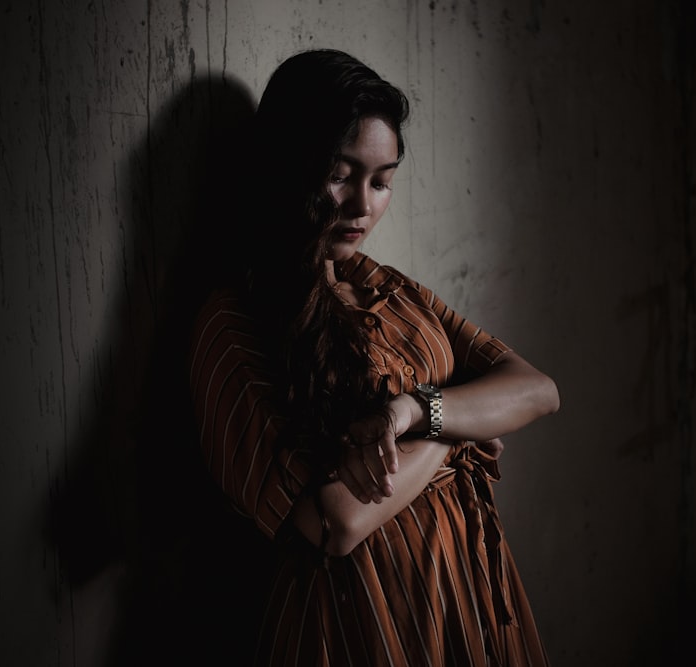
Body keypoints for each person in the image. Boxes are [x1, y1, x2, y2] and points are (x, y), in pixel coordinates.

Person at [188, 49, 560, 666]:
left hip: (464, 598)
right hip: (358, 623)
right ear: (289, 166)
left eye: (382, 180)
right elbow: (335, 522)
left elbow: (536, 388)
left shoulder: (384, 286)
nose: (362, 205)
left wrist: (415, 412)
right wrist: (456, 431)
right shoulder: (232, 325)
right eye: (341, 173)